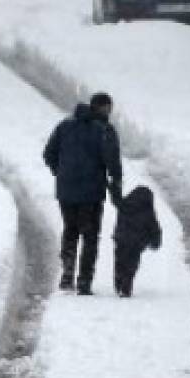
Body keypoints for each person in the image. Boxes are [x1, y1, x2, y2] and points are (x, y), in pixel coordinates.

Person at [42, 92, 123, 295]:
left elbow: (48, 153)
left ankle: (67, 276)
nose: (109, 112)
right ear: (100, 108)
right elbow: (112, 162)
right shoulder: (104, 130)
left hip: (66, 191)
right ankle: (84, 282)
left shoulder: (65, 125)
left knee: (70, 231)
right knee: (90, 236)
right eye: (107, 108)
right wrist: (116, 187)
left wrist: (60, 173)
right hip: (91, 193)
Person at [112, 185, 162, 298]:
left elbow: (116, 200)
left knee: (119, 261)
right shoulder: (148, 211)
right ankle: (126, 285)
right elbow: (154, 228)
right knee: (131, 265)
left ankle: (118, 280)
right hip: (136, 243)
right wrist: (155, 242)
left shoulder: (124, 205)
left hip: (121, 239)